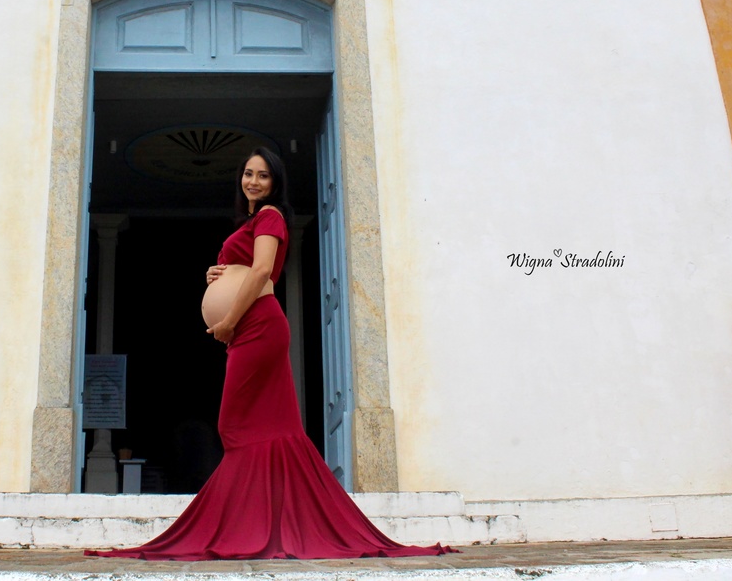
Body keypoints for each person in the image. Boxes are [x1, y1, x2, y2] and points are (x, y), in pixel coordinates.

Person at [85, 147, 456, 560]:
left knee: (234, 426)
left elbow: (262, 271)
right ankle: (270, 524)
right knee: (272, 431)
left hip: (257, 327)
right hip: (250, 328)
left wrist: (228, 321)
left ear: (275, 182)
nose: (254, 181)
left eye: (263, 175)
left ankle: (250, 525)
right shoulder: (250, 222)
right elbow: (248, 268)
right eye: (248, 173)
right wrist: (217, 273)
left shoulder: (270, 216)